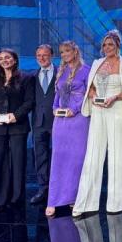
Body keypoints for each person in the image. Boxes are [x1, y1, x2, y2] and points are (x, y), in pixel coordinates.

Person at [72, 30, 122, 217]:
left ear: (117, 45)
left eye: (110, 44)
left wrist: (114, 97)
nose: (107, 48)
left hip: (117, 110)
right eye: (105, 45)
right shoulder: (97, 63)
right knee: (93, 154)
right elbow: (91, 86)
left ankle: (115, 203)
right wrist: (93, 96)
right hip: (98, 111)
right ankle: (86, 202)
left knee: (117, 156)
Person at [0, 48, 35, 210]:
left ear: (15, 59)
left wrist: (16, 115)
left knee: (18, 162)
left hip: (18, 126)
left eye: (7, 57)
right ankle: (0, 199)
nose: (4, 60)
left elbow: (29, 101)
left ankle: (17, 199)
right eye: (1, 58)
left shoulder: (26, 78)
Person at [45, 41, 91, 218]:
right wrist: (54, 108)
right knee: (59, 159)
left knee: (77, 160)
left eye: (67, 51)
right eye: (62, 52)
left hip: (78, 120)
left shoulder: (86, 70)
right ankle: (54, 200)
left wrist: (75, 109)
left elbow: (89, 95)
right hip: (61, 121)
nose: (64, 54)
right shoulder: (61, 70)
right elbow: (57, 93)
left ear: (75, 51)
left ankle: (75, 198)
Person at [31, 44, 56, 205]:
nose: (42, 58)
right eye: (39, 55)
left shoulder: (62, 73)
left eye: (45, 55)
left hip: (58, 121)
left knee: (59, 156)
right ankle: (43, 188)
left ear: (51, 56)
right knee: (40, 156)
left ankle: (59, 189)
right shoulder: (32, 77)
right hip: (38, 122)